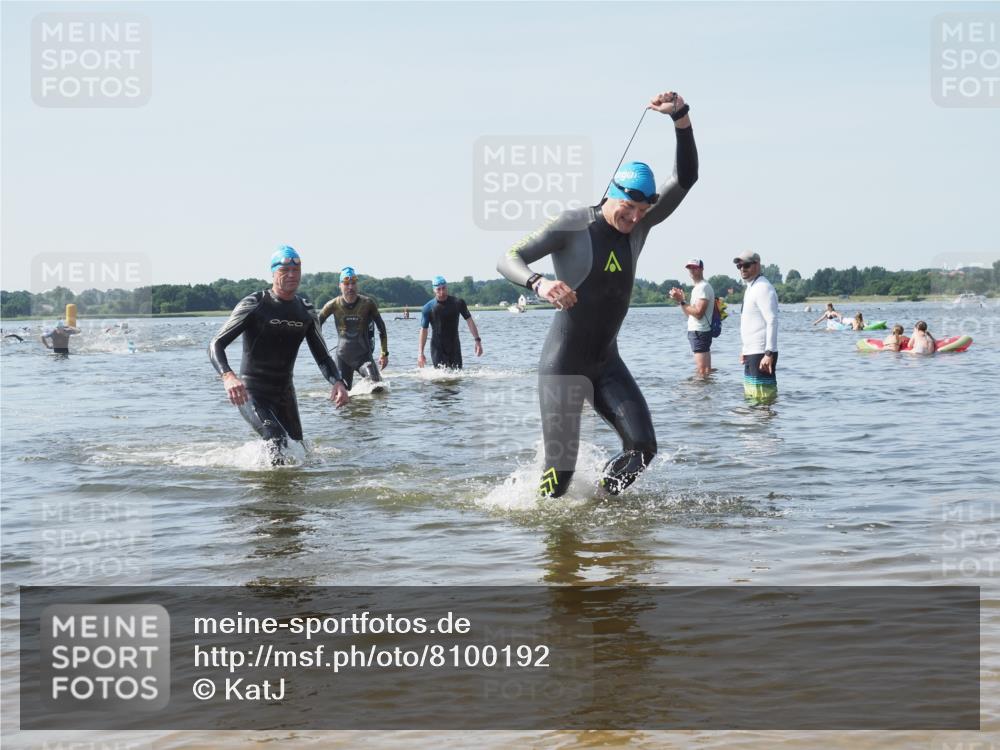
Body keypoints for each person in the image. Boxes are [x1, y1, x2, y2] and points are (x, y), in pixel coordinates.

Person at [497, 89, 698, 498]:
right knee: (562, 470)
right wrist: (539, 283)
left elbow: (686, 178)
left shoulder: (640, 226)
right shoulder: (573, 224)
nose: (634, 218)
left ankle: (604, 506)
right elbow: (508, 257)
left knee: (642, 448)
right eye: (628, 208)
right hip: (563, 366)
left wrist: (680, 117)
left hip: (607, 363)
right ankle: (546, 520)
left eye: (642, 212)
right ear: (613, 192)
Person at [209, 246, 349, 461]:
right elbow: (216, 344)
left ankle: (286, 492)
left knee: (300, 452)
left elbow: (322, 356)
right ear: (273, 273)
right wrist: (228, 376)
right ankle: (273, 495)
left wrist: (337, 382)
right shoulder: (255, 303)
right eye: (285, 270)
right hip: (252, 391)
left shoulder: (306, 310)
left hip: (285, 394)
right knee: (276, 439)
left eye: (296, 270)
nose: (292, 275)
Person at [319, 266, 388, 390]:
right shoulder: (332, 305)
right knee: (344, 396)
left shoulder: (368, 303)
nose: (350, 287)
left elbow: (381, 328)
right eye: (346, 284)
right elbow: (315, 327)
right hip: (342, 358)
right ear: (340, 285)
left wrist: (384, 353)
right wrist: (322, 354)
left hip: (364, 357)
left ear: (357, 284)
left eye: (353, 283)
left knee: (378, 388)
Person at [734, 250, 779, 404]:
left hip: (762, 353)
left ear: (757, 264)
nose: (742, 269)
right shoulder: (751, 287)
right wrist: (745, 350)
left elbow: (772, 320)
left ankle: (765, 427)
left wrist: (768, 353)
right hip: (752, 352)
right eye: (739, 266)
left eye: (746, 265)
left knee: (763, 400)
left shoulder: (763, 287)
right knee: (753, 398)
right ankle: (755, 427)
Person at [417, 276, 483, 369]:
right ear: (434, 290)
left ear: (447, 287)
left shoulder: (458, 303)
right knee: (441, 378)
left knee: (457, 377)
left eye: (443, 288)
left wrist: (477, 341)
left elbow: (470, 321)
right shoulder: (428, 308)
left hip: (454, 346)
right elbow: (423, 331)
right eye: (438, 289)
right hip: (437, 348)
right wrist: (421, 353)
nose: (442, 292)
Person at [669, 258, 714, 376]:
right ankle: (705, 392)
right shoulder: (698, 288)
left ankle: (700, 392)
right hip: (698, 332)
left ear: (702, 269)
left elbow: (698, 313)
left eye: (695, 268)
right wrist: (681, 301)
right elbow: (690, 314)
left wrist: (681, 301)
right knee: (705, 371)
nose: (692, 270)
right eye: (690, 268)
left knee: (702, 371)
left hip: (700, 332)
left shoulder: (703, 287)